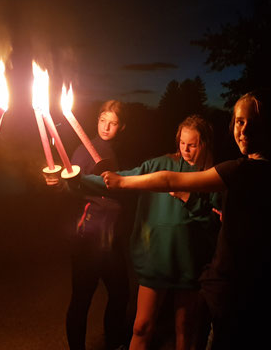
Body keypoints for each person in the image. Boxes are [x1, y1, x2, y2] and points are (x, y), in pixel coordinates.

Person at [102, 90, 271, 350]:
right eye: (240, 121)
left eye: (254, 122)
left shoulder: (237, 171)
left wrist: (122, 182)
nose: (244, 130)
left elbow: (169, 180)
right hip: (254, 290)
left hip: (234, 291)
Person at [83, 115, 219, 350]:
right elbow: (122, 180)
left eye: (193, 144)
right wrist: (76, 181)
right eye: (182, 143)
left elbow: (216, 226)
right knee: (141, 326)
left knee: (185, 328)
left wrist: (191, 199)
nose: (185, 149)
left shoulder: (211, 176)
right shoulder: (159, 165)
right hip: (155, 261)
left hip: (188, 264)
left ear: (205, 143)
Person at [45, 100, 131, 350]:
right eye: (103, 120)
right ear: (96, 120)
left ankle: (114, 343)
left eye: (113, 123)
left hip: (111, 237)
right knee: (82, 298)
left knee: (120, 294)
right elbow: (73, 186)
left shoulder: (119, 152)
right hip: (89, 236)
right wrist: (59, 185)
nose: (106, 127)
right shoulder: (85, 150)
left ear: (122, 127)